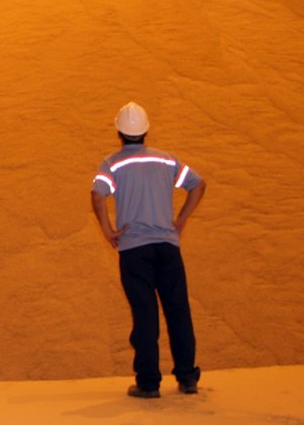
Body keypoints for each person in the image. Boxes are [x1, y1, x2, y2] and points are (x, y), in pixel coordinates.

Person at [90, 101, 206, 398]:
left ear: (119, 132)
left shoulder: (112, 163)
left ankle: (148, 382)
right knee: (178, 310)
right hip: (167, 247)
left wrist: (108, 231)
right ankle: (187, 378)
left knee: (145, 314)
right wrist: (181, 220)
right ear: (146, 131)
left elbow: (97, 194)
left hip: (133, 250)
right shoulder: (166, 161)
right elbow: (198, 185)